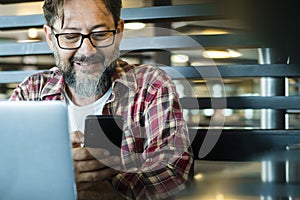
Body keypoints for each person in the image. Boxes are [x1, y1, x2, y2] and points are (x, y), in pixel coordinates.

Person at [9, 0, 194, 199]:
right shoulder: (32, 91)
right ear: (50, 37)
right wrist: (50, 176)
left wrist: (105, 191)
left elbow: (175, 175)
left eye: (100, 34)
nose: (87, 51)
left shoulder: (150, 86)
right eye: (70, 36)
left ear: (119, 31)